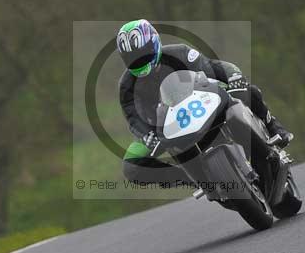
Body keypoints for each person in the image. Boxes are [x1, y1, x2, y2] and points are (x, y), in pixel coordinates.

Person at [116, 19, 293, 185]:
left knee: (248, 90)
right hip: (166, 128)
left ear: (154, 44)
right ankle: (187, 177)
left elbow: (211, 69)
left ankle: (273, 127)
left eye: (143, 54)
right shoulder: (126, 86)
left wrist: (233, 78)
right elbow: (133, 119)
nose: (139, 62)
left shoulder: (180, 53)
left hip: (201, 103)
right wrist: (147, 133)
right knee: (131, 167)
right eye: (132, 58)